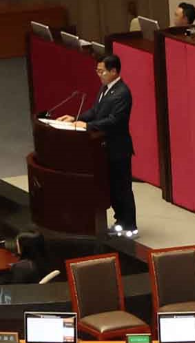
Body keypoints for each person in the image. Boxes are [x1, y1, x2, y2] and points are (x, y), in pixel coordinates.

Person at [59, 53, 137, 237]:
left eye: (102, 71)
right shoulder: (105, 89)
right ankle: (121, 221)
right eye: (97, 71)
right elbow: (96, 111)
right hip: (105, 147)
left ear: (114, 71)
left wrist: (88, 126)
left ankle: (130, 225)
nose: (99, 74)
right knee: (112, 186)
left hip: (118, 148)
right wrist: (76, 119)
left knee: (122, 187)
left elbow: (114, 120)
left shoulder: (122, 93)